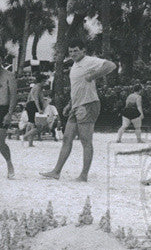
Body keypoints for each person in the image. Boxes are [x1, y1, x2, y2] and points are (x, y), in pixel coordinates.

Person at [41, 39, 116, 181]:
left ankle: (83, 175)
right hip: (77, 106)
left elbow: (111, 65)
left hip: (88, 104)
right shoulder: (75, 65)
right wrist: (70, 104)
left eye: (76, 50)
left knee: (86, 141)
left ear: (83, 50)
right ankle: (56, 172)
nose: (73, 53)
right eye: (70, 51)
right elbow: (77, 88)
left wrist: (93, 76)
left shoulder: (88, 61)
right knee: (67, 139)